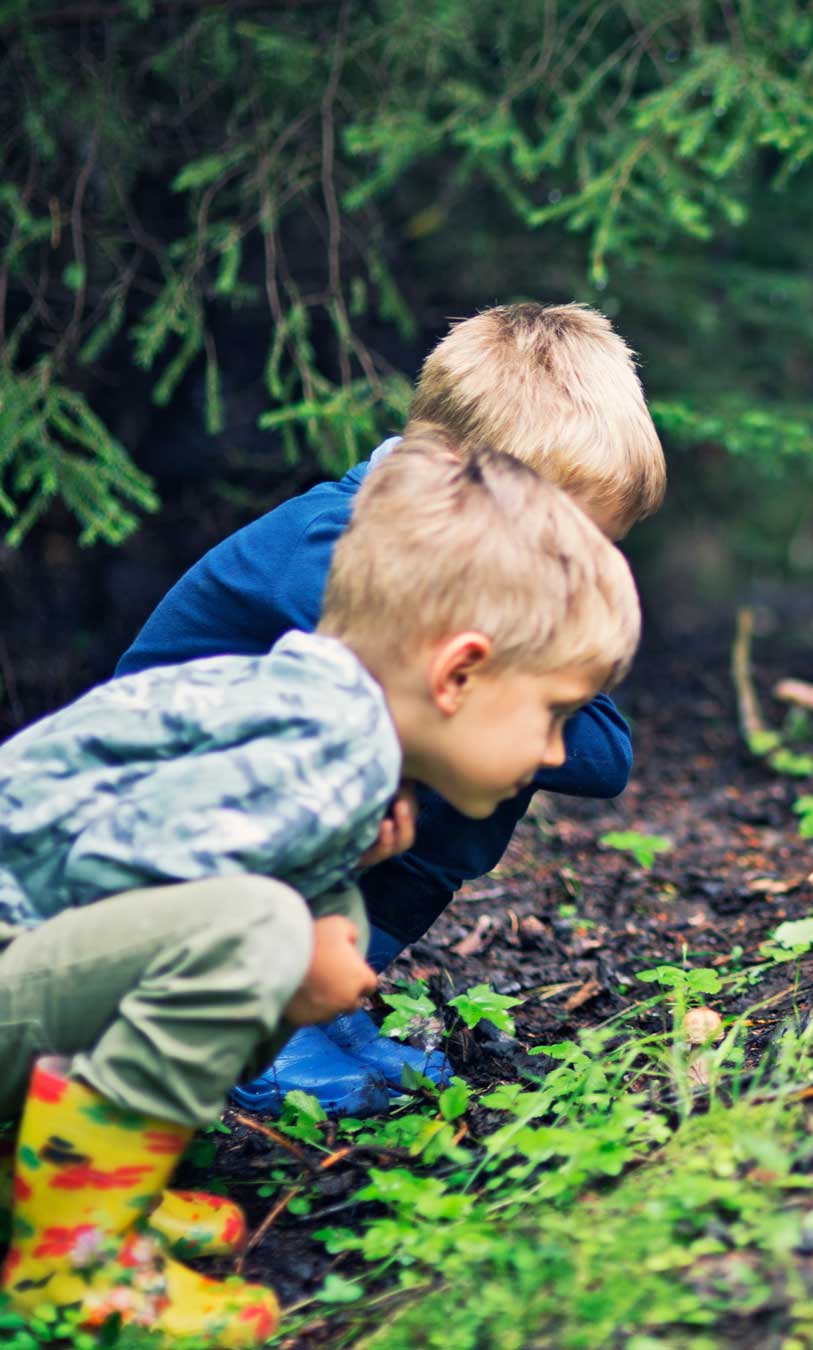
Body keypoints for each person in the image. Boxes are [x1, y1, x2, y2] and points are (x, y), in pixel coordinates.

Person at [0, 438, 641, 1343]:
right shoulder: (319, 747)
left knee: (301, 920)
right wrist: (295, 937)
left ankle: (47, 1172)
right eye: (553, 714)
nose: (556, 754)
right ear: (457, 673)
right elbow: (113, 873)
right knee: (265, 932)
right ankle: (75, 1265)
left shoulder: (323, 721)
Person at [117, 301, 665, 1116]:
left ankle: (310, 998)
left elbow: (602, 755)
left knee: (483, 757)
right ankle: (241, 1019)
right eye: (560, 546)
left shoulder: (463, 580)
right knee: (421, 729)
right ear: (456, 479)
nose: (571, 577)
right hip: (140, 837)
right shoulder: (335, 551)